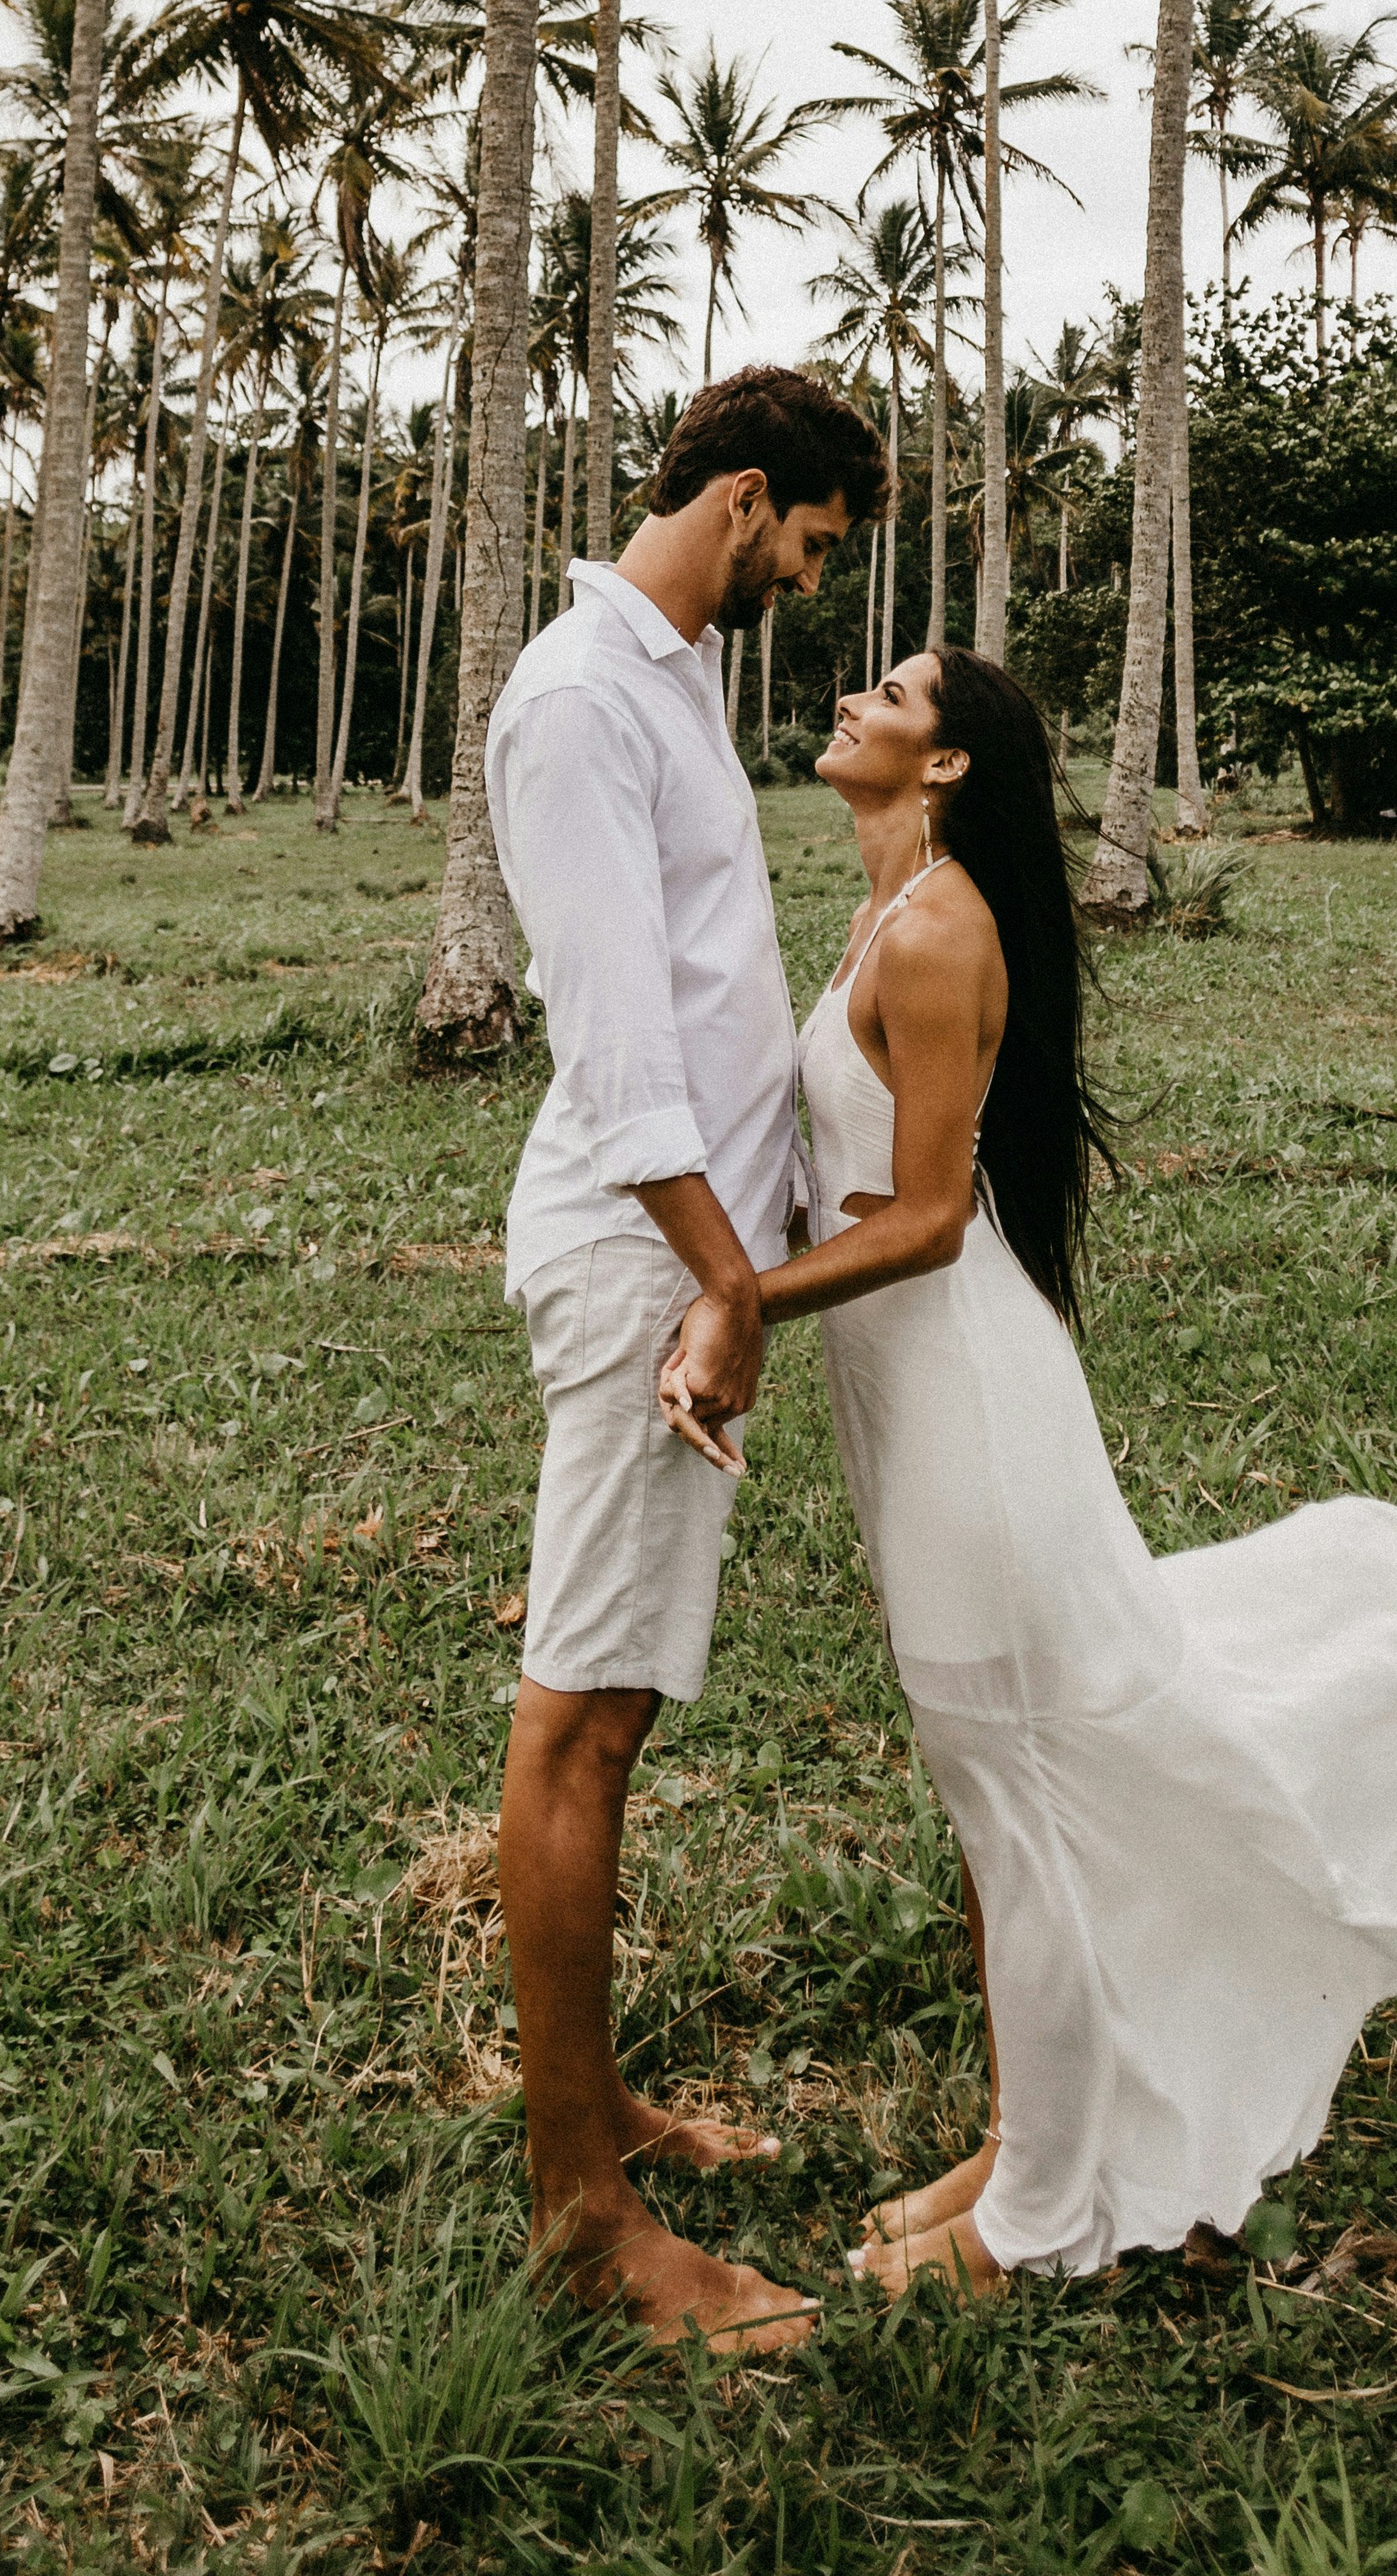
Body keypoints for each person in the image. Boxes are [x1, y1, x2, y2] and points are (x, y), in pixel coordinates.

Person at [684, 646, 1397, 2293]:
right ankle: (1027, 2144)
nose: (854, 696)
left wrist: (739, 1303)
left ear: (942, 768)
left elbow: (928, 1226)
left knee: (1027, 1818)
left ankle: (1037, 2221)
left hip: (970, 1414)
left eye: (894, 694)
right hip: (920, 1406)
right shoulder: (892, 906)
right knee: (1002, 1805)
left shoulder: (937, 931)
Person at [485, 361, 889, 2353]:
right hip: (649, 1263)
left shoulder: (671, 676)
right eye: (810, 543)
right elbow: (619, 1049)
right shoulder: (575, 703)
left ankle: (600, 2108)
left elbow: (715, 992)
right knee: (582, 1718)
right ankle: (582, 2206)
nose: (812, 585)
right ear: (742, 501)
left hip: (699, 1247)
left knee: (616, 1709)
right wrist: (726, 1288)